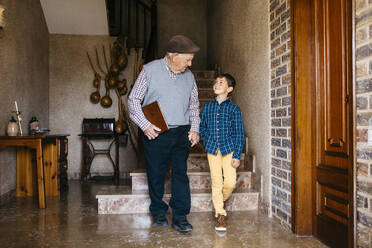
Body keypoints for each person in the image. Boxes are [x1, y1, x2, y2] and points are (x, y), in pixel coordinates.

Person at [128, 35, 200, 233]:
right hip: (157, 133)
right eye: (187, 59)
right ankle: (158, 211)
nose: (190, 63)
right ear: (174, 55)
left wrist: (194, 128)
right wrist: (145, 125)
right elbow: (133, 100)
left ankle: (180, 217)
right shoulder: (150, 70)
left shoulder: (189, 76)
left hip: (182, 133)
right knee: (156, 174)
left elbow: (194, 105)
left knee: (180, 174)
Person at [199, 73, 245, 231]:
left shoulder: (234, 109)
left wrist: (237, 155)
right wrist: (204, 137)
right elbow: (202, 126)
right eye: (215, 82)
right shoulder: (207, 107)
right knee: (216, 181)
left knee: (230, 182)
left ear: (229, 89)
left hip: (229, 149)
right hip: (212, 149)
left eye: (221, 82)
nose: (216, 84)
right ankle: (220, 214)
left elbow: (239, 133)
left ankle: (219, 200)